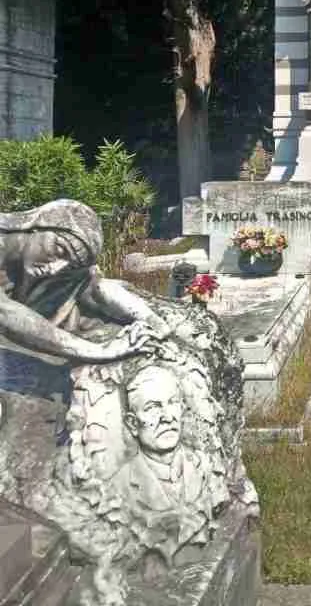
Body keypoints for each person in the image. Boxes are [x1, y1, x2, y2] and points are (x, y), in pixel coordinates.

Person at [0, 199, 169, 363]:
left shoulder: (48, 263)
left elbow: (93, 286)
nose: (54, 268)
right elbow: (6, 314)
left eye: (68, 264)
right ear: (37, 227)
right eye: (59, 250)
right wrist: (100, 351)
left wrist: (151, 320)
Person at [114, 364, 229, 565]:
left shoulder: (206, 466)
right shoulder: (120, 485)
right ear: (132, 423)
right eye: (152, 408)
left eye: (172, 403)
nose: (167, 417)